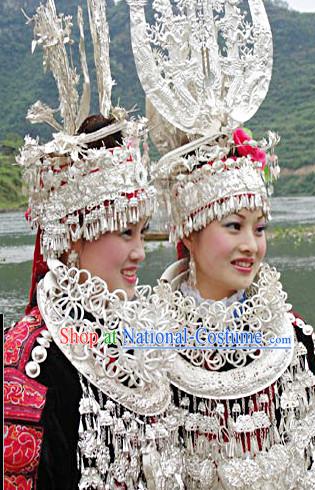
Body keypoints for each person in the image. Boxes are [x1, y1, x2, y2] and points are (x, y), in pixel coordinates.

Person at [126, 0, 315, 487]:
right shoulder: (146, 342)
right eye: (233, 226)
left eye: (260, 227)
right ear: (189, 229)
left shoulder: (293, 339)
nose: (251, 244)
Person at [4, 1, 173, 488]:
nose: (140, 252)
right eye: (124, 231)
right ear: (75, 236)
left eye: (142, 233)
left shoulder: (141, 335)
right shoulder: (29, 355)